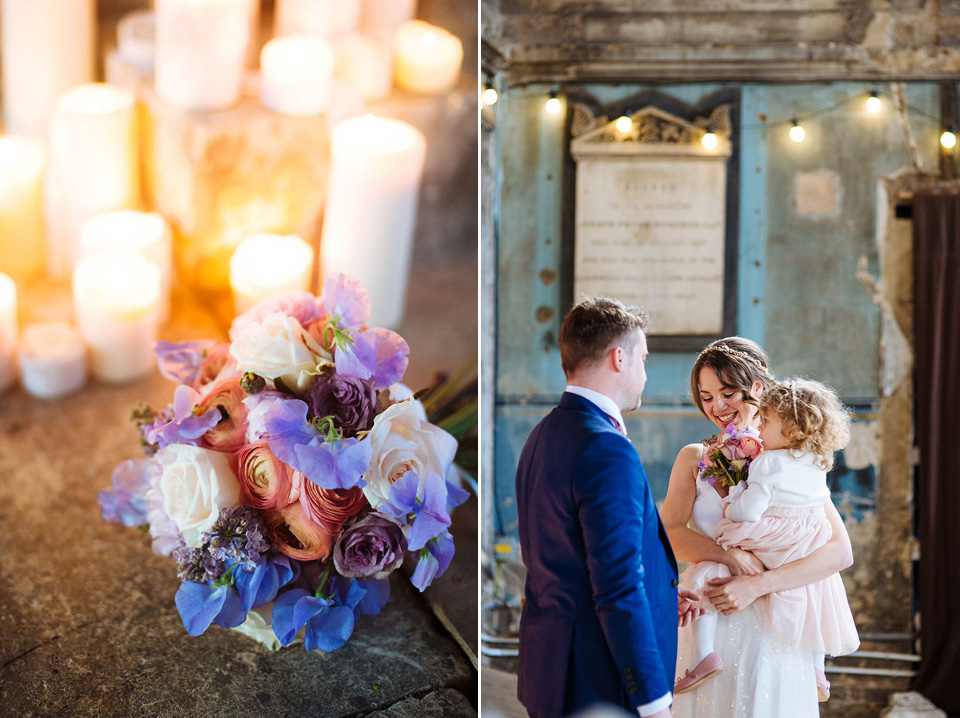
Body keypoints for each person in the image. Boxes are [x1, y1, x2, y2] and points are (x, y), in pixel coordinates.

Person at [515, 297, 696, 718]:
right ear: (619, 358)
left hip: (550, 671)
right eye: (643, 359)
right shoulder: (605, 448)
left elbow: (567, 557)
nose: (646, 375)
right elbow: (615, 586)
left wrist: (661, 593)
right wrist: (651, 701)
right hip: (599, 680)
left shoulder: (543, 434)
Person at [661, 338, 855, 718]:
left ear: (758, 388)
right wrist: (727, 556)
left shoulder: (792, 460)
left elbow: (838, 551)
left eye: (728, 392)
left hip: (778, 631)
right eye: (706, 396)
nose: (717, 406)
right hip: (712, 618)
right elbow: (668, 533)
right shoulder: (694, 458)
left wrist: (757, 584)